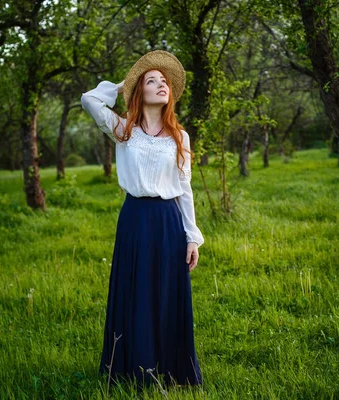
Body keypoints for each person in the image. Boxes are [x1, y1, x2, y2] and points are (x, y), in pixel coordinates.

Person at [80, 50, 204, 387]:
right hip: (134, 218)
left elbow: (184, 188)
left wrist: (192, 235)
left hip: (168, 222)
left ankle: (172, 370)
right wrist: (124, 84)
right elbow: (89, 100)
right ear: (140, 92)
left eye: (164, 82)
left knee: (166, 293)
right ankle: (133, 369)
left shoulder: (181, 137)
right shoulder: (123, 129)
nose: (161, 85)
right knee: (135, 292)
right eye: (152, 81)